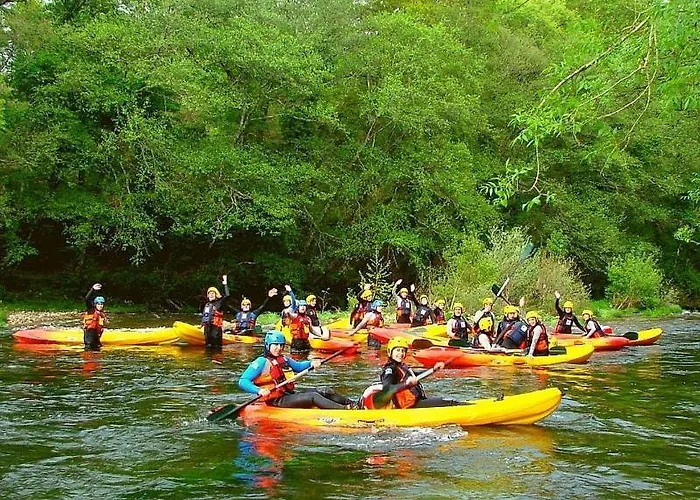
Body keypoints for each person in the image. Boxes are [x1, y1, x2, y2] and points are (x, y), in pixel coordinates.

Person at [238, 331, 355, 409]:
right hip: (277, 400)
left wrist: (312, 362)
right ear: (268, 345)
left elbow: (298, 367)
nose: (279, 348)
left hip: (289, 394)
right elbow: (243, 381)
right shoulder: (261, 362)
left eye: (281, 345)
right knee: (312, 396)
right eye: (275, 345)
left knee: (324, 390)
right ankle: (345, 410)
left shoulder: (283, 359)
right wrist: (259, 390)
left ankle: (352, 404)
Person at [367, 337, 458, 409]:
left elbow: (416, 375)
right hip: (409, 406)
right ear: (390, 352)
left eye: (403, 351)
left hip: (417, 401)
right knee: (448, 402)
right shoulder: (390, 369)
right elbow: (386, 390)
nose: (401, 353)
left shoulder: (402, 366)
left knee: (447, 400)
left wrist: (434, 369)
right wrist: (406, 384)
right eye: (397, 350)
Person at [201, 275, 230, 348]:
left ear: (216, 295)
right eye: (209, 294)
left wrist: (225, 283)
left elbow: (227, 295)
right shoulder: (207, 305)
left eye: (213, 293)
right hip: (207, 330)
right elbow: (205, 317)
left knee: (216, 350)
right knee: (208, 347)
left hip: (216, 331)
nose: (211, 295)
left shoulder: (219, 303)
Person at [82, 283, 107, 350]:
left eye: (102, 304)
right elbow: (87, 299)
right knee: (90, 348)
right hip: (89, 337)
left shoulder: (101, 314)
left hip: (96, 338)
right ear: (95, 304)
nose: (100, 305)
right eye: (98, 304)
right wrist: (92, 289)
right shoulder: (91, 310)